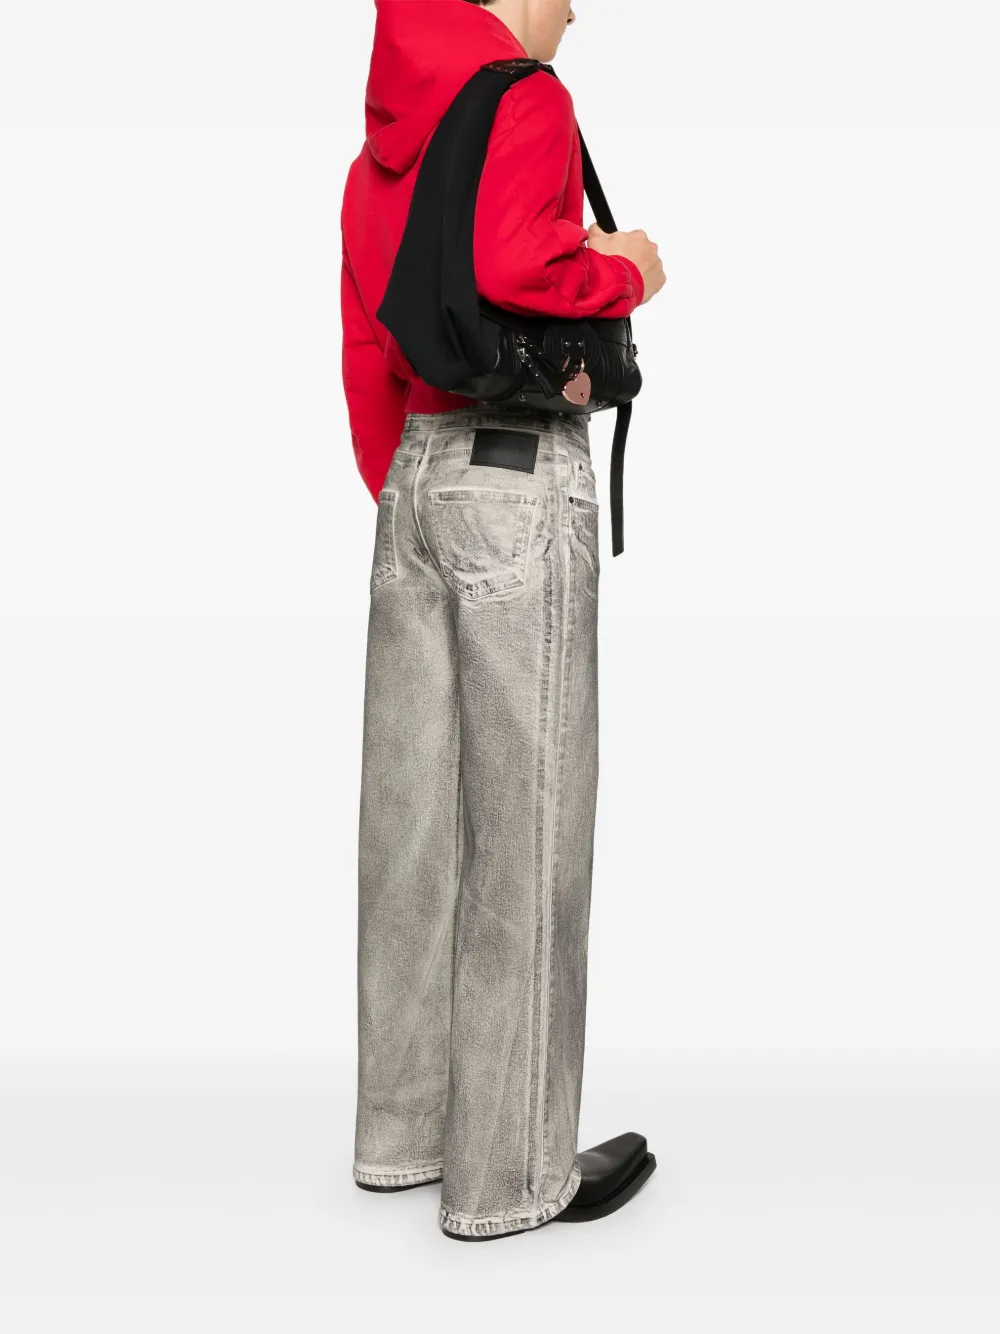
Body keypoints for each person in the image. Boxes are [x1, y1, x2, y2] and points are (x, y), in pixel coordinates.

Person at [341, 0, 665, 1242]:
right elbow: (517, 265)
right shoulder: (523, 98)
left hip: (412, 479)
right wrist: (626, 266)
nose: (577, 8)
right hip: (515, 476)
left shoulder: (385, 138)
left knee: (410, 827)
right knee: (527, 825)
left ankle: (403, 1132)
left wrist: (410, 487)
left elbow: (363, 335)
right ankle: (512, 1173)